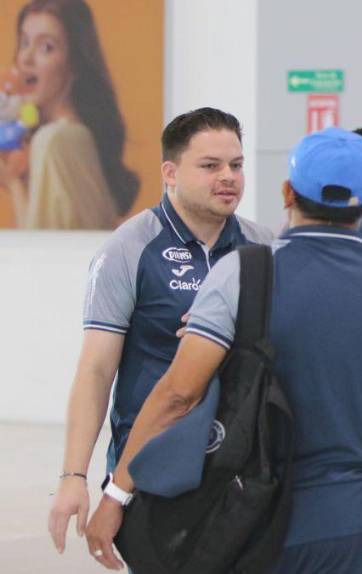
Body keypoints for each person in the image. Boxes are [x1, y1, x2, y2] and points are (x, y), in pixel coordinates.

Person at [83, 128, 362, 573]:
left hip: (251, 522)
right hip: (353, 526)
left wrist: (117, 493)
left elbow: (179, 395)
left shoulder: (245, 273)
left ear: (288, 193)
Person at [45, 107, 273, 556]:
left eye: (236, 165)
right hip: (150, 473)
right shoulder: (128, 249)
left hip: (242, 472)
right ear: (170, 172)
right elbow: (95, 371)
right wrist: (74, 476)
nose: (228, 177)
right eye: (210, 166)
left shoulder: (263, 246)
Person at [0, 0, 139, 229]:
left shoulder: (54, 140)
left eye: (46, 47)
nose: (25, 58)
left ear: (74, 63)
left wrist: (12, 181)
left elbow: (39, 252)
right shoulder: (71, 137)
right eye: (24, 42)